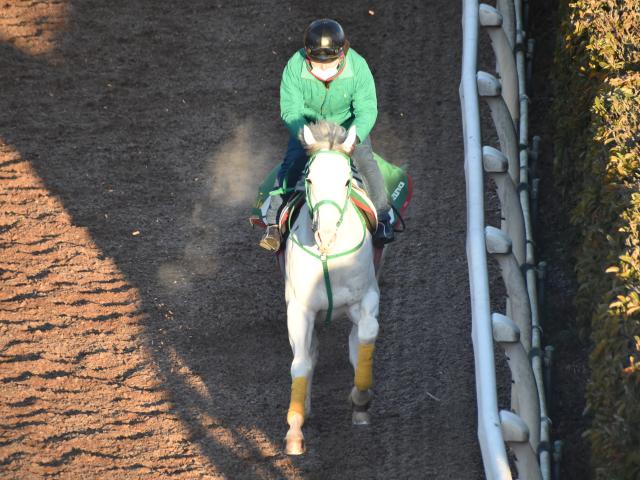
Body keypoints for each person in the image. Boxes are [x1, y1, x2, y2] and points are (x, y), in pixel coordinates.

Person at [259, 18, 395, 251]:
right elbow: (290, 110)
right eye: (316, 63)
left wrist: (355, 135)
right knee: (291, 165)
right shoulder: (294, 65)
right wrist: (305, 136)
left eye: (329, 63)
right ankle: (273, 224)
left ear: (342, 55)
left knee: (365, 163)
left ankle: (382, 218)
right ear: (307, 54)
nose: (323, 69)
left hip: (347, 128)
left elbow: (367, 109)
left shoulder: (359, 66)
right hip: (310, 129)